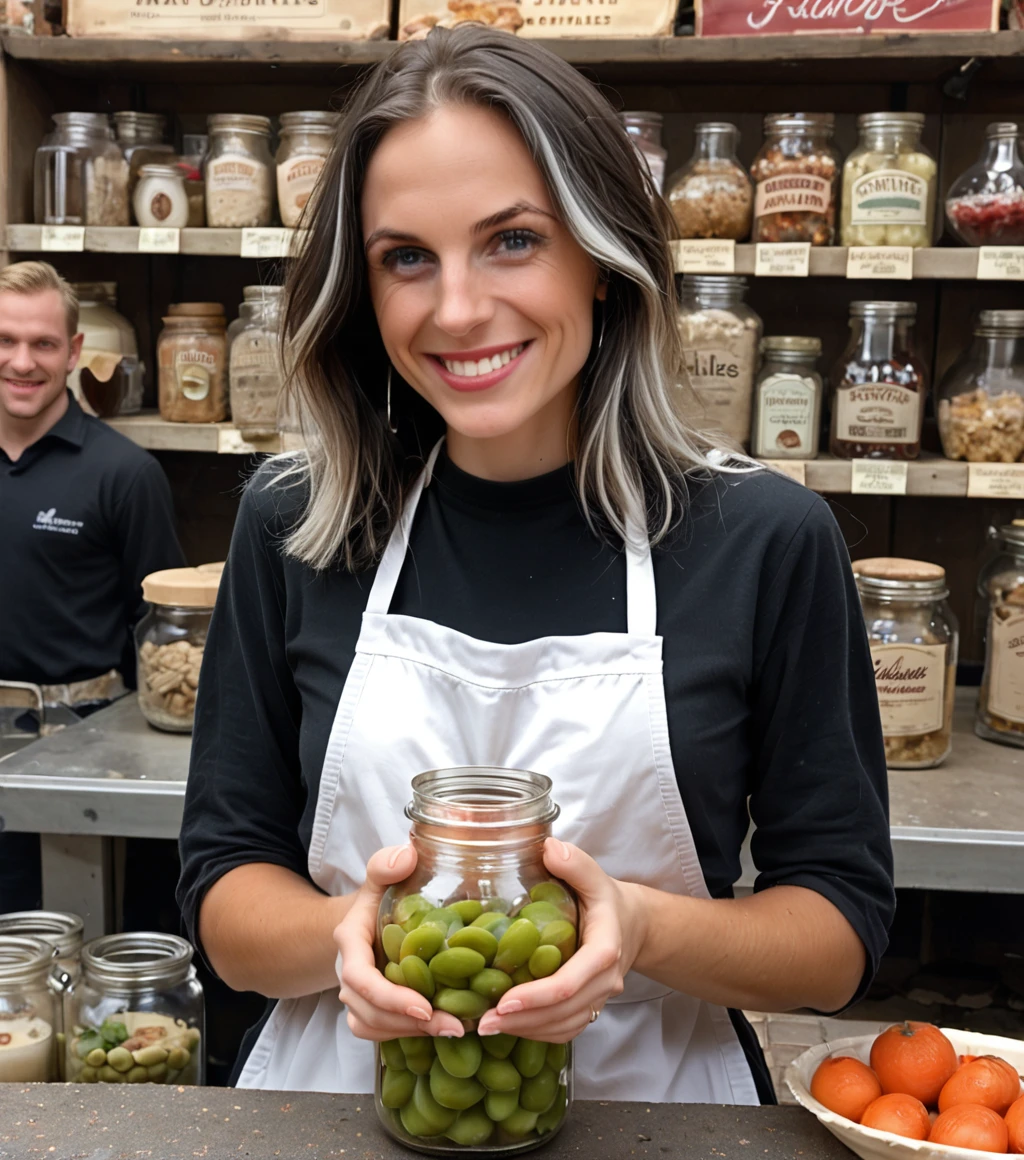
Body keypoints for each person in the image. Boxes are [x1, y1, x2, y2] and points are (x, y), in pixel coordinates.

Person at [177, 26, 894, 1102]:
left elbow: (837, 936)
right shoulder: (299, 523)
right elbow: (226, 907)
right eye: (405, 256)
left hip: (657, 1115)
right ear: (363, 292)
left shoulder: (763, 537)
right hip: (341, 1109)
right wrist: (356, 934)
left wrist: (635, 925)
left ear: (604, 260)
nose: (456, 308)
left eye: (512, 239)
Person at [0, 261, 184, 910]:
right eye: (6, 341)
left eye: (43, 344)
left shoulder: (125, 475)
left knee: (67, 939)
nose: (22, 362)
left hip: (78, 748)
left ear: (75, 351)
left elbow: (164, 639)